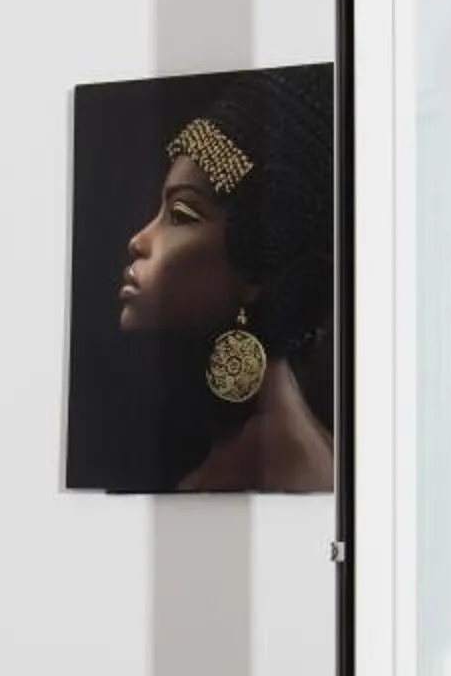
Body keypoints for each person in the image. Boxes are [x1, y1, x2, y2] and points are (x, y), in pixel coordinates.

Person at [114, 71, 334, 492]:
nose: (139, 240)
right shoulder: (259, 440)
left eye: (181, 215)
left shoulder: (271, 455)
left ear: (259, 260)